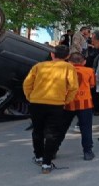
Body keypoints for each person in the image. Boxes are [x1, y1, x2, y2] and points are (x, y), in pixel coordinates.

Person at [23, 45, 79, 174]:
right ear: (67, 57)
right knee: (52, 133)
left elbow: (27, 83)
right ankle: (47, 164)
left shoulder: (39, 66)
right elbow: (73, 87)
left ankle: (38, 156)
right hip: (56, 104)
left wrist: (30, 96)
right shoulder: (68, 67)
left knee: (37, 130)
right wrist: (66, 100)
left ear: (52, 54)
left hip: (36, 102)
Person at [58, 53, 96, 161]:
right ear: (84, 62)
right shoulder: (89, 71)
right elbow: (92, 85)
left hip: (68, 102)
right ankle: (87, 151)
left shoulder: (64, 71)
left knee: (61, 128)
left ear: (69, 62)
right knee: (86, 128)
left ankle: (53, 150)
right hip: (85, 103)